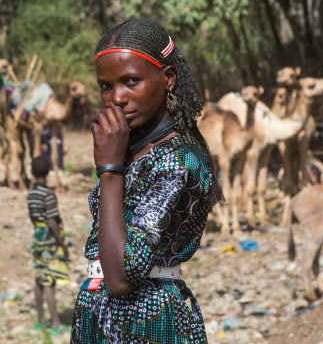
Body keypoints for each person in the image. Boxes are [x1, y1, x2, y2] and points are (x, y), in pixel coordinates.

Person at [71, 19, 224, 343]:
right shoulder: (134, 150)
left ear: (168, 78)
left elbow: (122, 278)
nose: (116, 98)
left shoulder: (180, 160)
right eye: (105, 86)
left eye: (131, 81)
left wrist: (110, 169)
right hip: (100, 317)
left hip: (148, 320)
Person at [27, 156, 70, 332]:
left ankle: (40, 319)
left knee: (39, 277)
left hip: (37, 236)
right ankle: (55, 322)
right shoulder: (48, 194)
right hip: (49, 240)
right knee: (50, 280)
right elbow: (52, 222)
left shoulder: (31, 193)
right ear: (48, 172)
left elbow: (32, 216)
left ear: (32, 172)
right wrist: (63, 245)